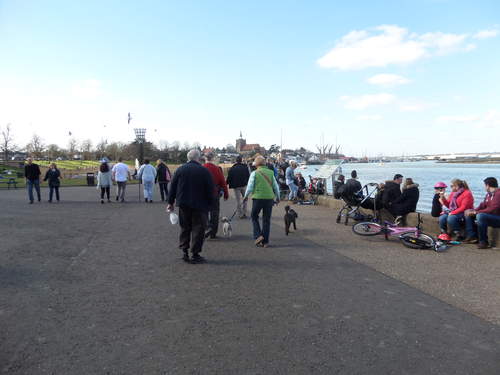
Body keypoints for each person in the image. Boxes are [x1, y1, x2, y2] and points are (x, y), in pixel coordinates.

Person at [167, 149, 215, 263]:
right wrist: (211, 204)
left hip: (184, 203)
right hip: (200, 204)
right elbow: (210, 189)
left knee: (185, 227)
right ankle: (195, 253)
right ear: (198, 158)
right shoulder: (204, 171)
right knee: (198, 229)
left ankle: (184, 251)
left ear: (188, 158)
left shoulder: (180, 169)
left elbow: (173, 187)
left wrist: (170, 202)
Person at [243, 155, 280, 248]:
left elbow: (250, 186)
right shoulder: (271, 172)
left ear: (256, 165)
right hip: (269, 199)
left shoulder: (254, 173)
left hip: (258, 198)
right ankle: (265, 241)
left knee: (254, 216)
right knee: (266, 220)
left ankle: (258, 236)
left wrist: (245, 196)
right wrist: (278, 197)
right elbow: (276, 187)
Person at [464, 177, 500, 248]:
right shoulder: (489, 194)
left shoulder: (498, 194)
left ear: (487, 185)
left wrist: (476, 212)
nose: (484, 187)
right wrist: (472, 211)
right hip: (492, 217)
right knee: (468, 213)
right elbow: (483, 205)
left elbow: (493, 209)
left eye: (484, 185)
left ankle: (483, 242)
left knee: (481, 216)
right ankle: (472, 237)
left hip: (498, 218)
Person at [203, 153, 229, 239]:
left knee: (204, 212)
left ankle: (206, 227)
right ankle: (213, 233)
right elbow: (223, 182)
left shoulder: (202, 168)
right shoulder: (217, 169)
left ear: (205, 159)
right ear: (213, 159)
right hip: (214, 194)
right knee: (215, 213)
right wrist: (226, 194)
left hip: (203, 195)